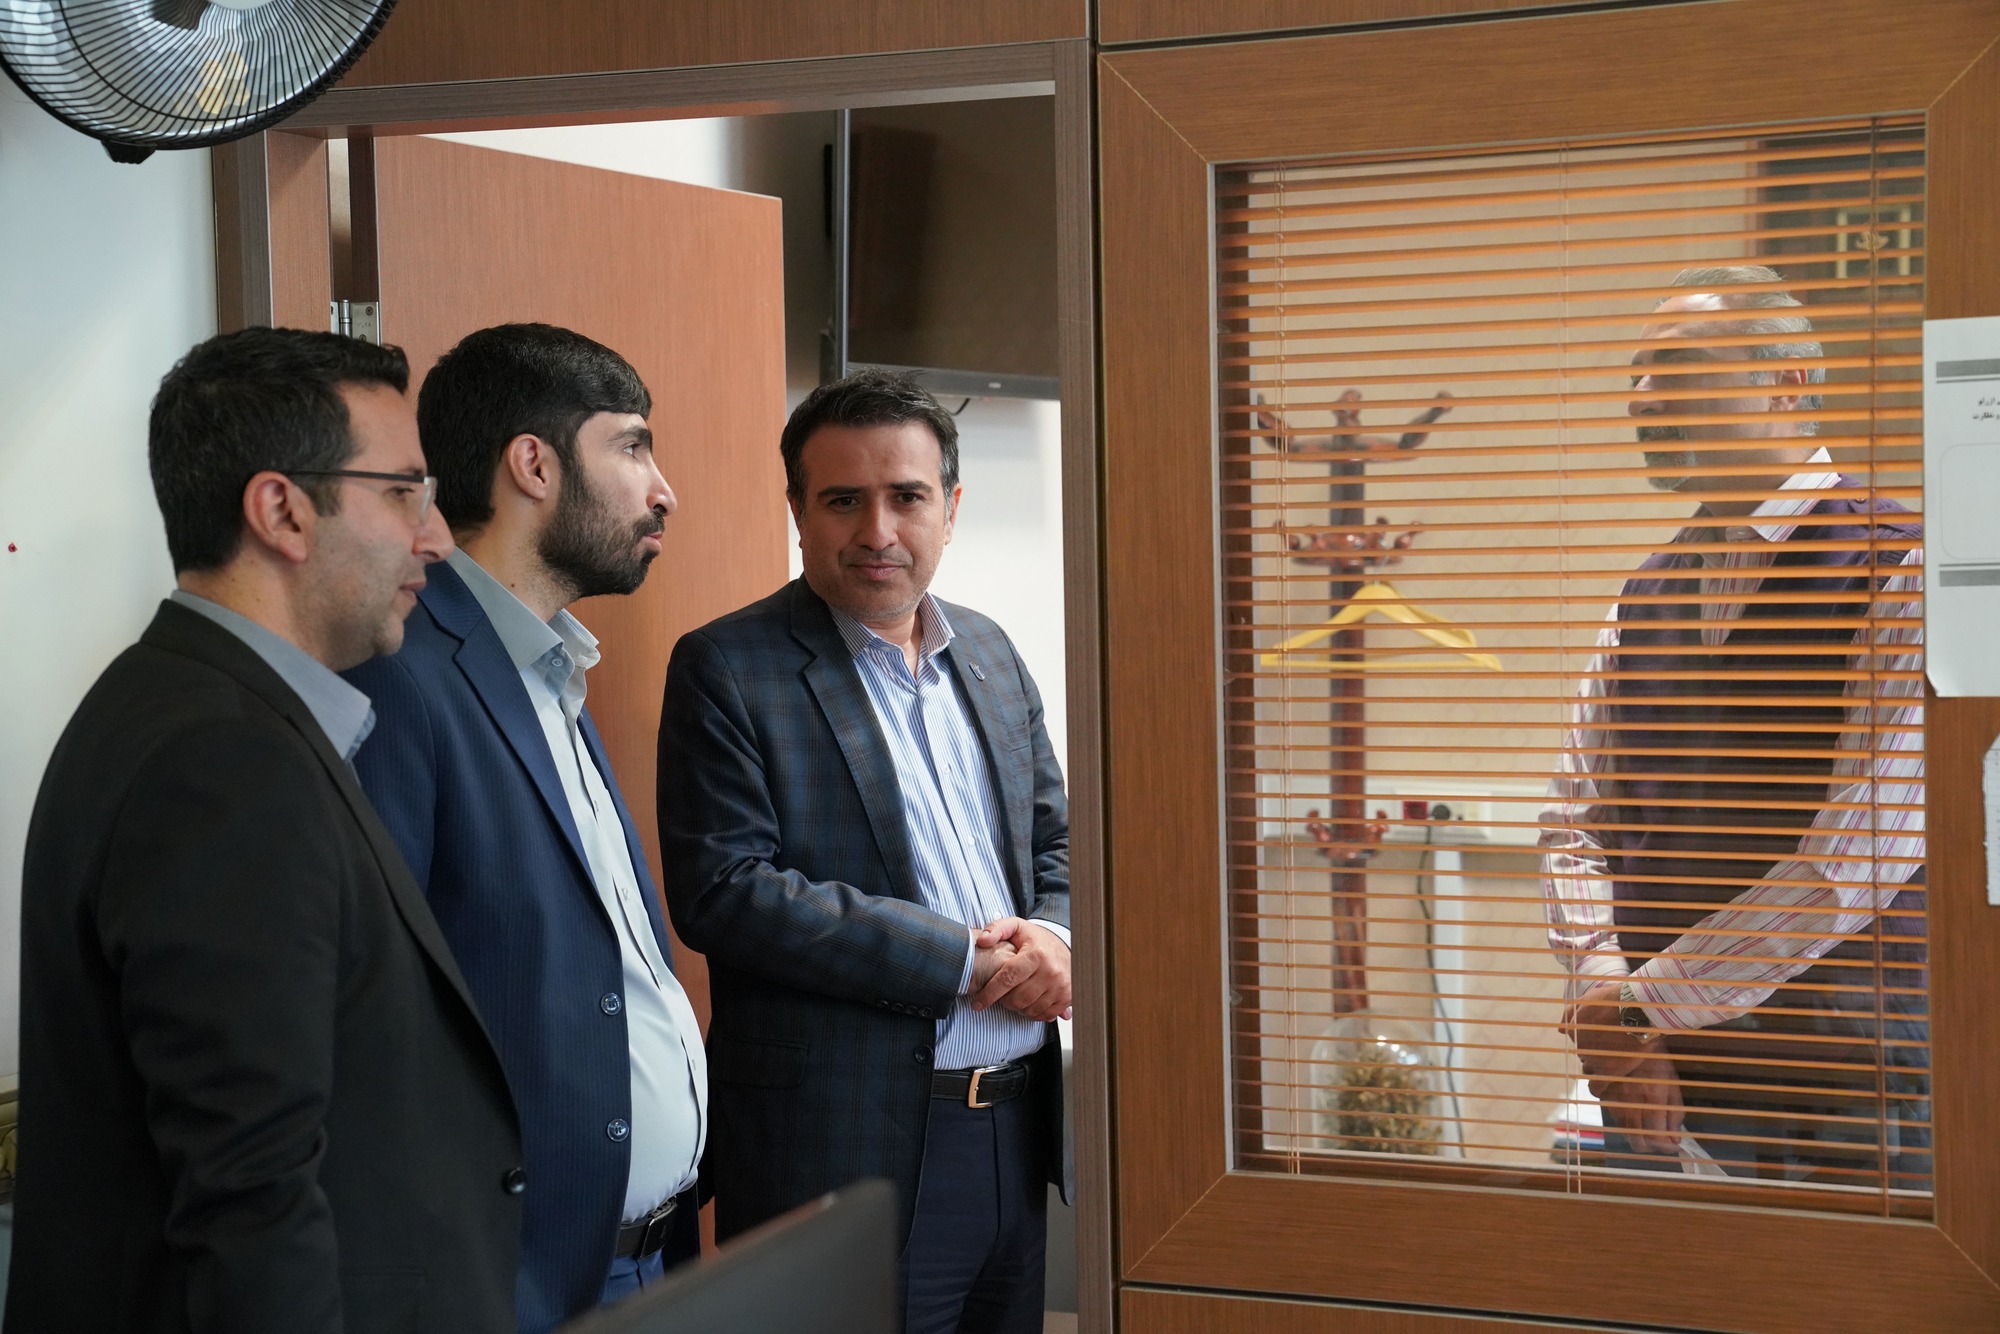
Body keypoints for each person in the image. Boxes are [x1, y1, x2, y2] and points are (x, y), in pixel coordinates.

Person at [8, 327, 523, 1331]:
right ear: (282, 509)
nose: (436, 537)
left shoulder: (197, 708)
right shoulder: (221, 761)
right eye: (402, 492)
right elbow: (250, 1193)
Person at [658, 370, 1071, 1334]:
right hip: (849, 1146)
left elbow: (1058, 839)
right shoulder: (728, 666)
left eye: (907, 497)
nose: (878, 531)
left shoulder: (991, 651)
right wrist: (960, 961)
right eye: (844, 500)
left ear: (951, 508)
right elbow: (726, 891)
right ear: (799, 510)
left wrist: (1056, 936)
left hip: (1017, 1131)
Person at [343, 323, 705, 1331]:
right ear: (534, 465)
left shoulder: (551, 666)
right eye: (632, 446)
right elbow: (376, 1015)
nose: (663, 490)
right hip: (519, 1282)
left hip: (650, 1259)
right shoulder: (404, 673)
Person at [1541, 266, 1927, 1188]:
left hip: (1843, 1090)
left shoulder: (1901, 567)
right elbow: (1574, 823)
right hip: (1652, 1085)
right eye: (1635, 375)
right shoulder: (1642, 595)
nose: (1640, 398)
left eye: (1672, 367)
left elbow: (1854, 861)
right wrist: (1605, 999)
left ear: (1785, 383)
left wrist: (1634, 1012)